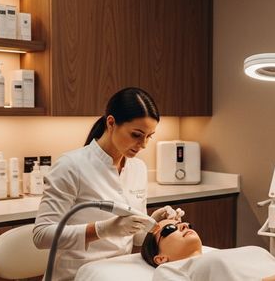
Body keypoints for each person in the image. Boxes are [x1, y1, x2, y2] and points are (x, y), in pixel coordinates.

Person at [32, 87, 182, 281]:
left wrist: (152, 222)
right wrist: (103, 229)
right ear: (111, 123)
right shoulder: (71, 166)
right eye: (136, 135)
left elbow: (135, 239)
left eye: (149, 136)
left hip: (117, 274)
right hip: (76, 276)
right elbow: (41, 235)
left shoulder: (138, 168)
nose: (143, 144)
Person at [141, 219, 275, 281]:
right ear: (160, 258)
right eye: (170, 229)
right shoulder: (167, 271)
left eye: (184, 222)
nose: (182, 225)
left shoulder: (239, 252)